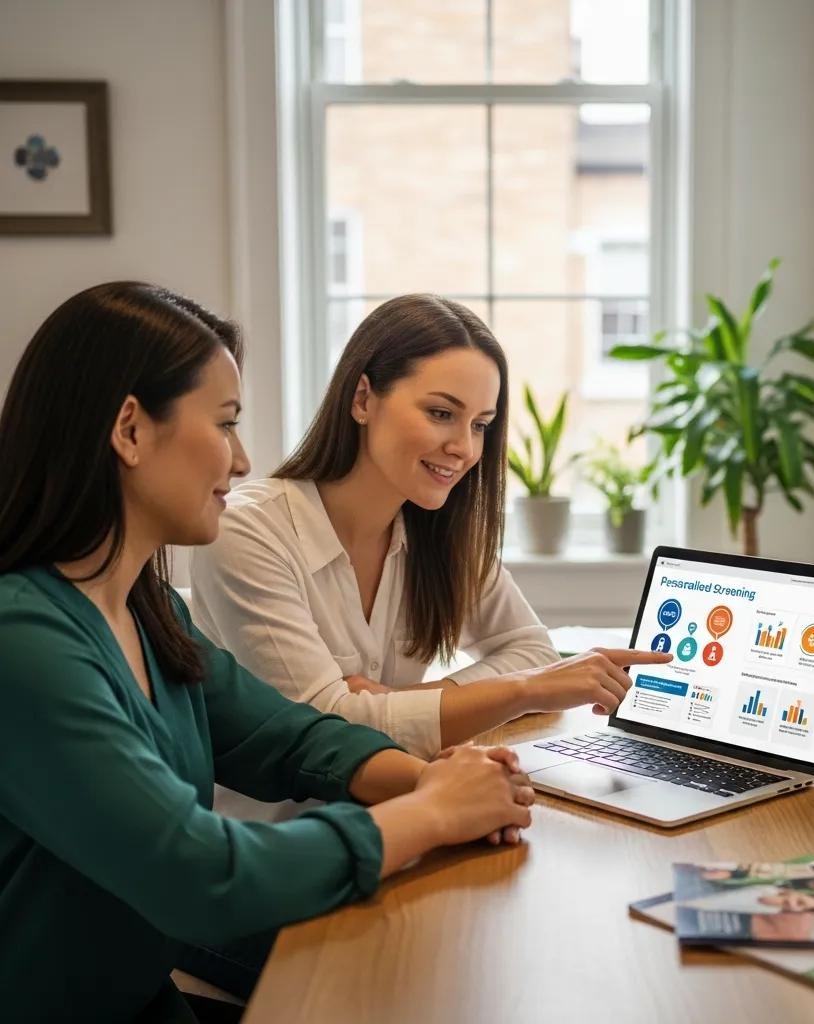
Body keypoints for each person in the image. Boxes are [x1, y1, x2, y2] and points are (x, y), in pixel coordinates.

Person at [0, 283, 535, 1023]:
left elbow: (284, 736)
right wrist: (434, 814)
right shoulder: (23, 644)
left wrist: (434, 782)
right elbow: (203, 876)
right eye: (225, 423)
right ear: (129, 430)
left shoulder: (151, 614)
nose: (244, 459)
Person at [189, 293, 669, 820]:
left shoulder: (440, 526)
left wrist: (410, 699)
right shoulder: (248, 529)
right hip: (277, 844)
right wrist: (522, 691)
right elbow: (326, 728)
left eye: (481, 424)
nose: (464, 447)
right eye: (441, 413)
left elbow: (527, 646)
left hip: (405, 817)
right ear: (363, 399)